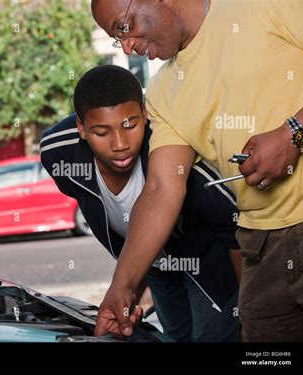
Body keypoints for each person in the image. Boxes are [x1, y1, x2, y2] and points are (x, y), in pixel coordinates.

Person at [91, 0, 303, 342]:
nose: (128, 45)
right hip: (261, 248)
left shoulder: (259, 6)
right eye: (118, 40)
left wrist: (294, 133)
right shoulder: (163, 93)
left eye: (123, 27)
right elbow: (162, 188)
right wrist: (122, 286)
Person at [40, 65, 241, 342]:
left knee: (211, 336)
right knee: (176, 335)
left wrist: (250, 305)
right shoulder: (58, 154)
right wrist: (131, 284)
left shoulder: (174, 154)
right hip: (152, 265)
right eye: (102, 132)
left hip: (206, 263)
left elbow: (232, 224)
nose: (120, 143)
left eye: (130, 125)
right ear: (82, 129)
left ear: (145, 114)